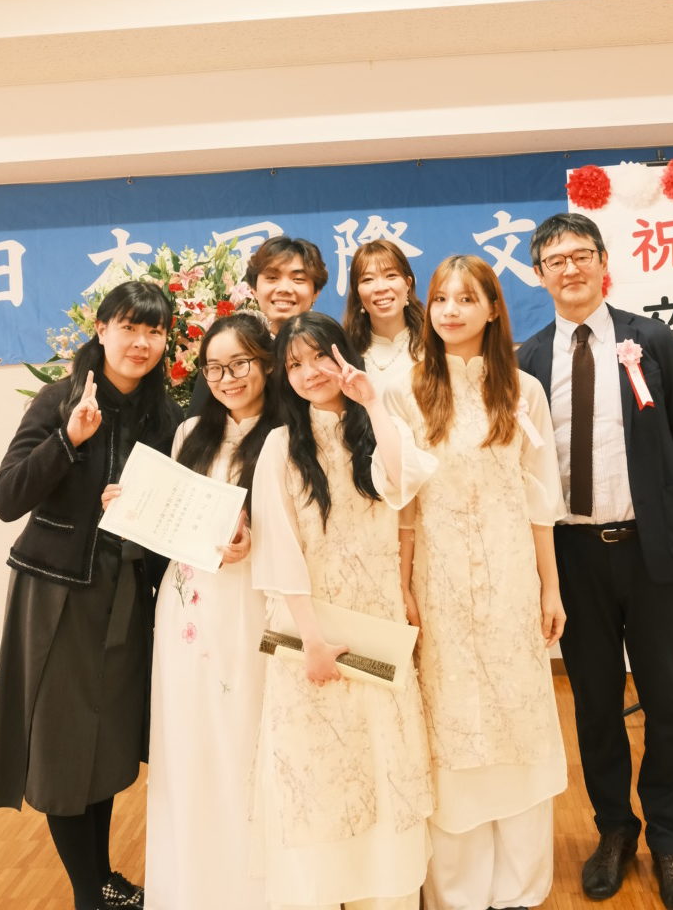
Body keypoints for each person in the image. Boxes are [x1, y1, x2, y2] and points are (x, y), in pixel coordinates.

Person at [517, 213, 673, 910]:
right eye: (554, 260)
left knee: (667, 701)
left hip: (654, 552)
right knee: (595, 704)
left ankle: (669, 840)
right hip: (572, 558)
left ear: (602, 262)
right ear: (538, 275)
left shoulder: (649, 339)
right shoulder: (528, 359)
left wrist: (651, 499)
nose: (569, 269)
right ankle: (614, 831)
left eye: (580, 255)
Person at [0, 281, 182, 910]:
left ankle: (104, 877)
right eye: (129, 327)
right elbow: (5, 497)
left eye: (154, 331)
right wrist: (68, 439)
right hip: (58, 594)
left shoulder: (166, 414)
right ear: (101, 329)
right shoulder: (60, 399)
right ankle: (89, 893)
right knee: (64, 750)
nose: (140, 342)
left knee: (106, 745)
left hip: (129, 594)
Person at [384, 254, 567, 910]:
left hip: (511, 578)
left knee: (517, 718)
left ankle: (518, 887)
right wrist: (403, 586)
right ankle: (458, 892)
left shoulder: (524, 391)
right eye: (440, 299)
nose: (451, 310)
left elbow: (539, 501)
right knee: (452, 719)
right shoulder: (403, 391)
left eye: (467, 298)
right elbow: (402, 508)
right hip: (438, 583)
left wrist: (550, 589)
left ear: (493, 309)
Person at [250, 312, 434, 910]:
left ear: (343, 356)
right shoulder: (280, 445)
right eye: (294, 364)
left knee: (384, 764)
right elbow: (279, 550)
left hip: (377, 625)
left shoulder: (377, 427)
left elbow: (403, 483)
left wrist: (372, 403)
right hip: (315, 636)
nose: (308, 373)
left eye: (318, 358)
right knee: (320, 772)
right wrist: (312, 641)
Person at [114, 311, 277, 910]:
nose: (228, 378)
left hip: (254, 604)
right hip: (187, 612)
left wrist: (254, 539)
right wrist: (132, 504)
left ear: (267, 364)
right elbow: (174, 520)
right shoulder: (189, 433)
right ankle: (191, 889)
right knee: (189, 743)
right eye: (214, 368)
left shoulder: (288, 432)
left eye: (240, 364)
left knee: (247, 738)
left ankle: (255, 891)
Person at [186, 234, 328, 416]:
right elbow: (199, 423)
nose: (284, 288)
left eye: (298, 279)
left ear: (316, 291)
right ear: (253, 289)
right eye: (272, 277)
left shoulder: (331, 349)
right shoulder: (228, 347)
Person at [342, 239, 424, 394]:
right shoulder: (346, 352)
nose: (380, 288)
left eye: (391, 275)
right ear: (357, 292)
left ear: (408, 284)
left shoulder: (434, 342)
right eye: (368, 279)